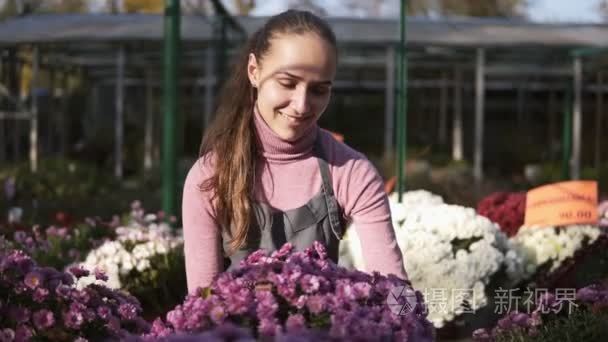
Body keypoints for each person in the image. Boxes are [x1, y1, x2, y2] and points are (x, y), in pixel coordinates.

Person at [182, 9, 407, 293]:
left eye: (318, 91)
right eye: (287, 83)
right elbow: (202, 302)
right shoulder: (209, 177)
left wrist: (409, 324)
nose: (302, 105)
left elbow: (396, 287)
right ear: (255, 71)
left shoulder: (351, 172)